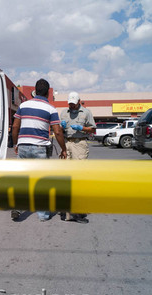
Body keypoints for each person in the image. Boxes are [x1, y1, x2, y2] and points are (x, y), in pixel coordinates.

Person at [11, 78, 67, 221]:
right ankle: (43, 215)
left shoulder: (23, 105)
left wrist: (16, 144)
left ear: (35, 91)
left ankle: (17, 208)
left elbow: (15, 127)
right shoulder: (51, 109)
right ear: (48, 93)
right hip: (40, 148)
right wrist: (64, 149)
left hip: (23, 146)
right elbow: (58, 132)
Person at [60, 91, 96, 223]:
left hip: (79, 144)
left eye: (74, 104)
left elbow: (93, 130)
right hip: (66, 143)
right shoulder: (64, 113)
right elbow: (59, 130)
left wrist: (82, 128)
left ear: (79, 102)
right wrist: (61, 127)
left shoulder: (86, 113)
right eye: (70, 104)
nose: (71, 106)